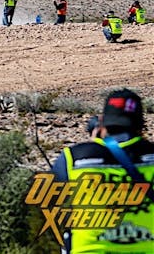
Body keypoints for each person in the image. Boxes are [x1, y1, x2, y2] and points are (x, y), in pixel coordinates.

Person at [51, 89, 154, 253]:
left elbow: (48, 208)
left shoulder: (74, 158)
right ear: (141, 126)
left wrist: (95, 145)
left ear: (102, 123)